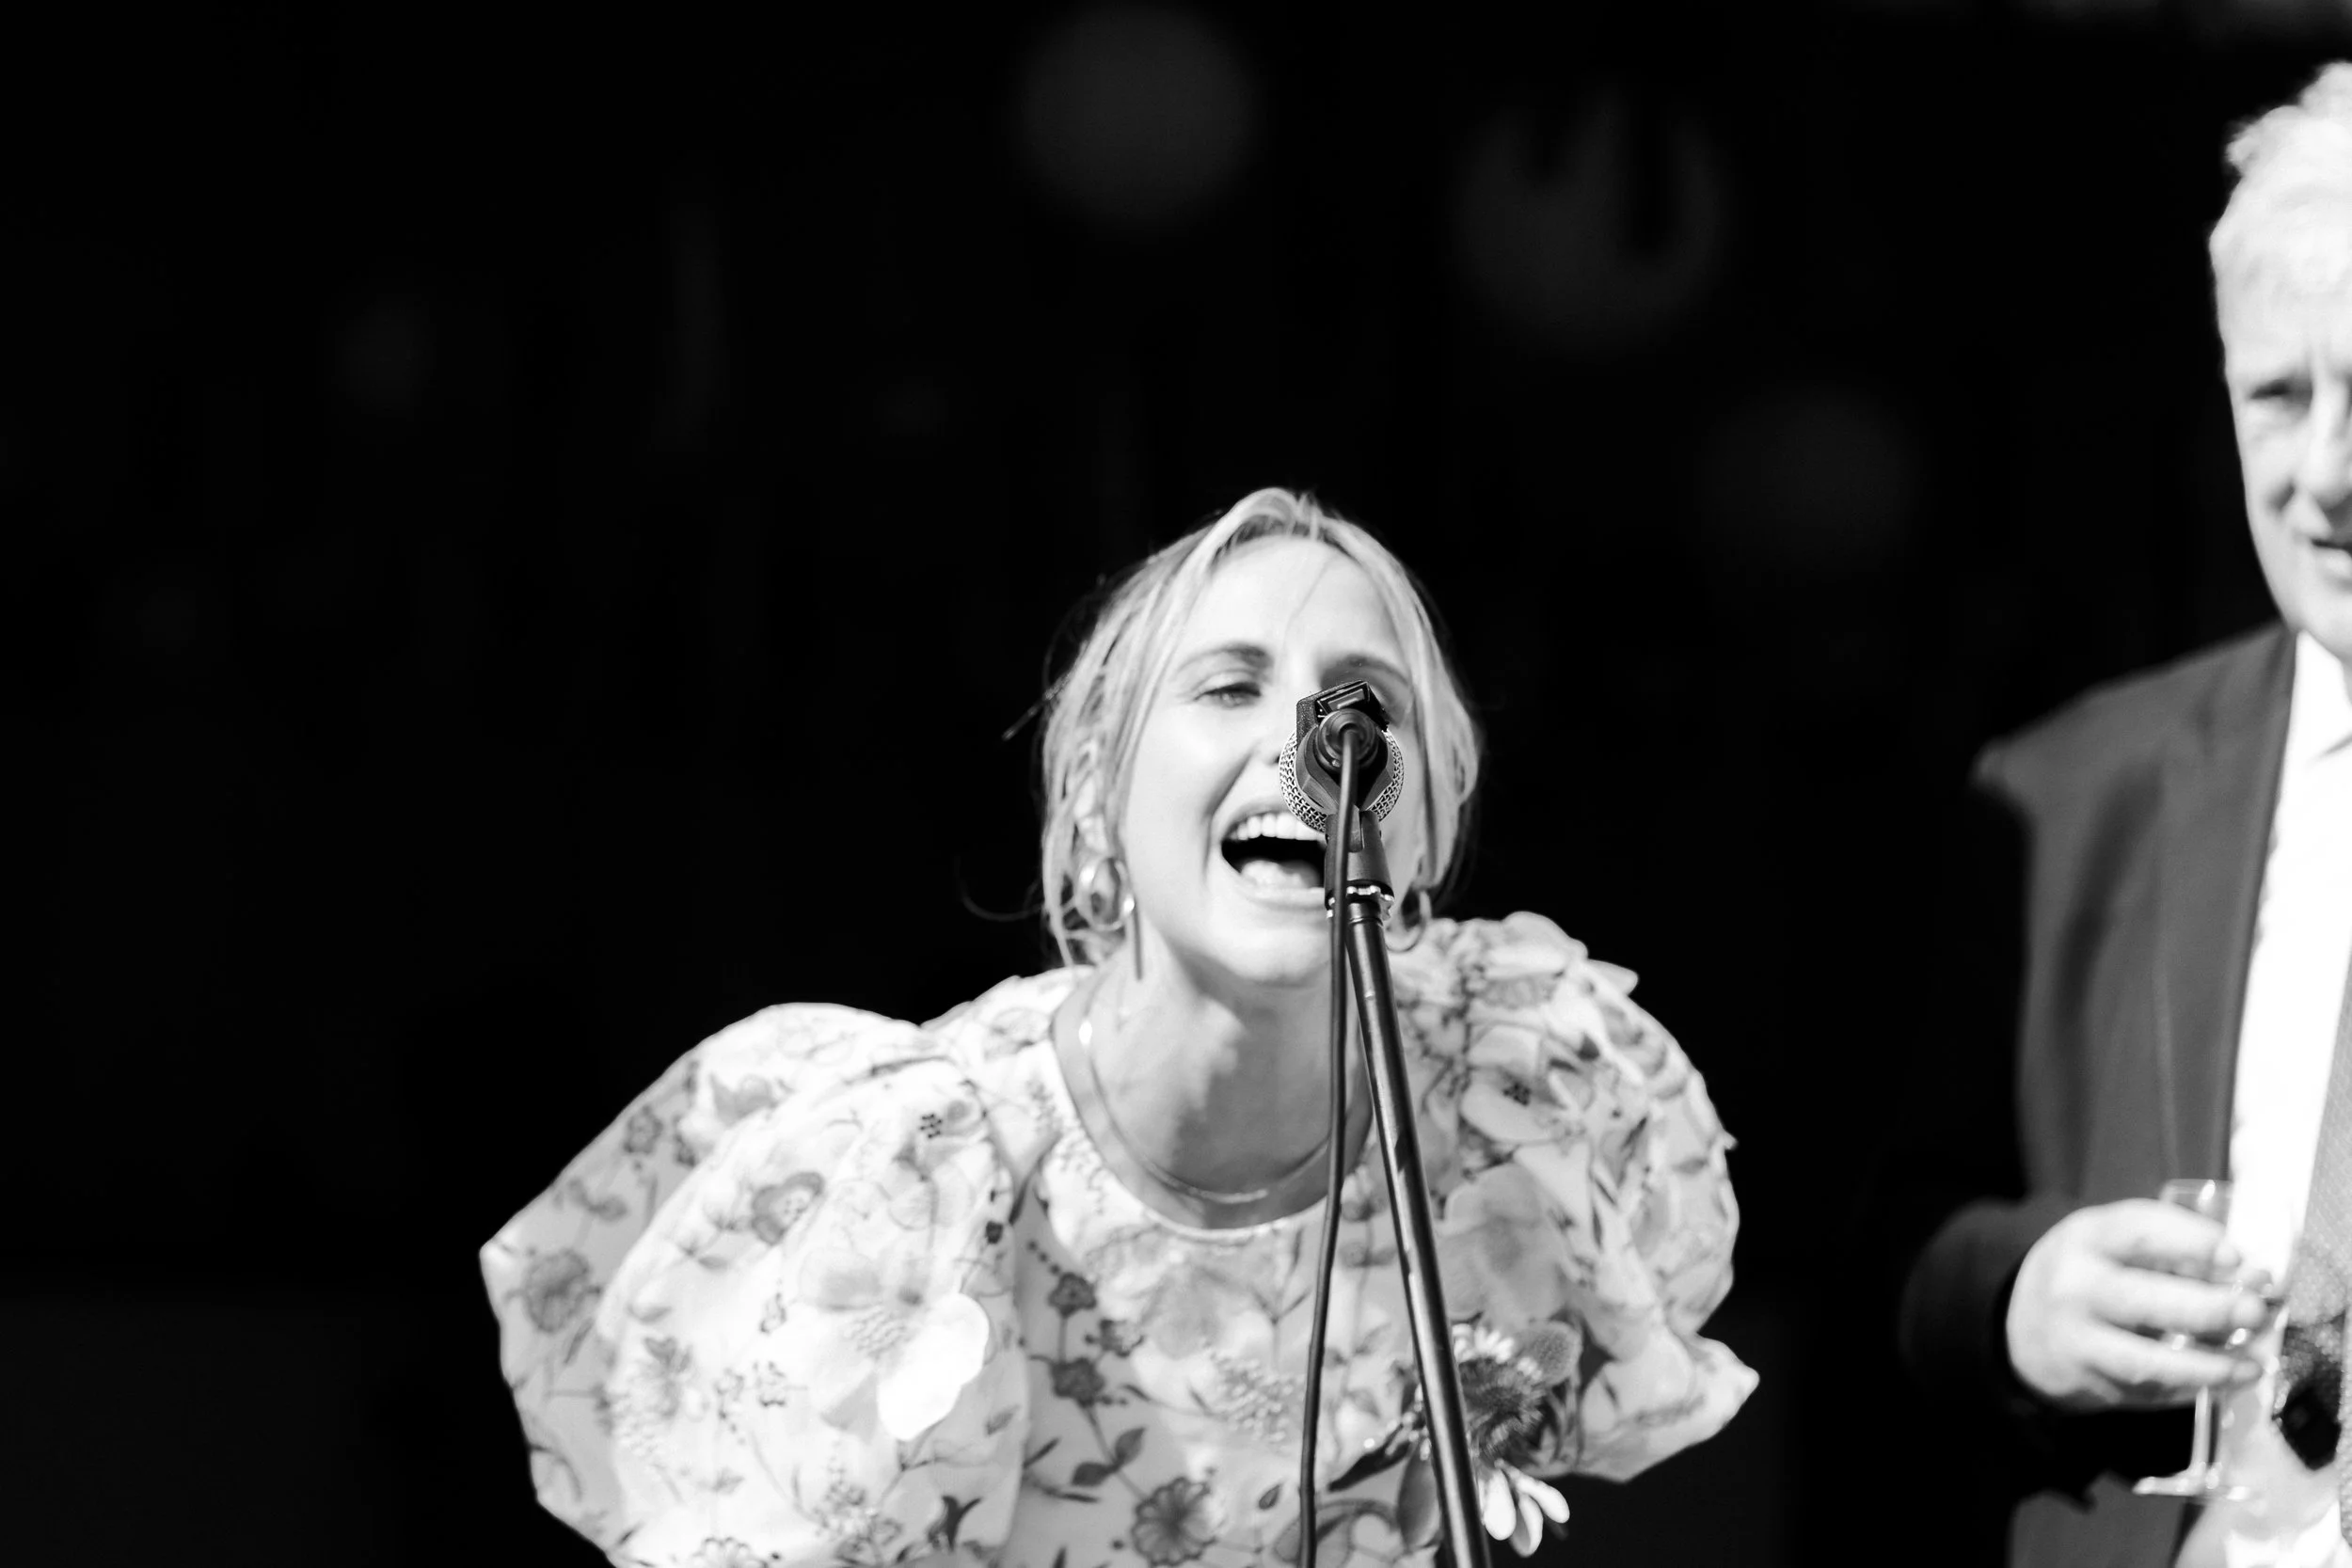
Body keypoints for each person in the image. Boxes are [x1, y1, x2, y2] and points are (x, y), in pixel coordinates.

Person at [480, 489, 1756, 1568]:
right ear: (1096, 802)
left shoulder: (1521, 1086)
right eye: (1230, 686)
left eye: (1365, 700)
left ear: (1426, 822)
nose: (1315, 741)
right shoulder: (925, 1172)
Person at [1885, 65, 2352, 1568]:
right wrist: (2018, 1297)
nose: (2325, 475)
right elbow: (1897, 1251)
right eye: (2279, 396)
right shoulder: (2065, 793)